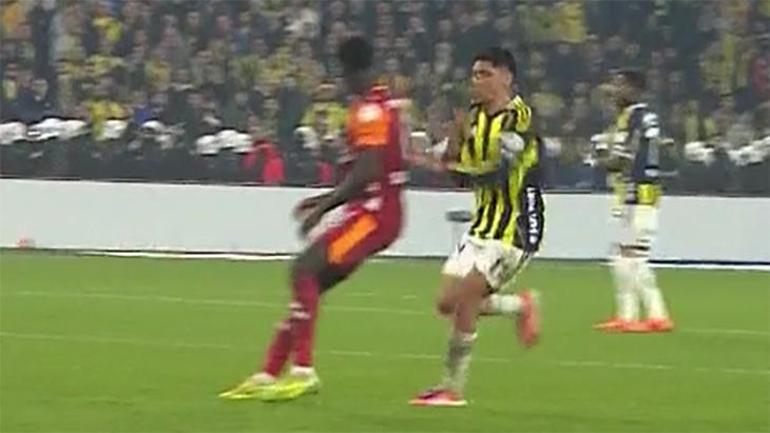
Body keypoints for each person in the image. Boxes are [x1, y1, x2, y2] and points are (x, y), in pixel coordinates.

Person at [219, 36, 407, 402]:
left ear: (350, 71)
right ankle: (267, 373)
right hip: (375, 210)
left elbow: (368, 171)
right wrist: (325, 200)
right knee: (309, 285)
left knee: (303, 269)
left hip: (374, 214)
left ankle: (303, 370)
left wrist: (324, 207)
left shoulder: (369, 111)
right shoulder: (385, 105)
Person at [410, 47, 542, 407]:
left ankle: (451, 389)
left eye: (485, 74)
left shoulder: (520, 118)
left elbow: (498, 173)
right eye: (474, 74)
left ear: (506, 77)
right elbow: (458, 174)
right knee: (446, 303)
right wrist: (454, 138)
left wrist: (448, 167)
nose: (476, 81)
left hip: (515, 226)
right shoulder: (472, 116)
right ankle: (520, 306)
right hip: (482, 224)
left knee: (468, 299)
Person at [592, 69, 675, 333]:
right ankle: (629, 315)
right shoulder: (647, 116)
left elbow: (621, 160)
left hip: (636, 195)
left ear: (635, 89)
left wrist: (599, 159)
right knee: (622, 255)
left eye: (620, 85)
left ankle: (654, 315)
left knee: (632, 256)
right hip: (640, 193)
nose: (615, 91)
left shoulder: (632, 117)